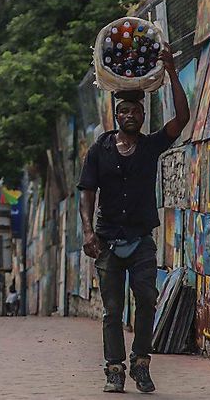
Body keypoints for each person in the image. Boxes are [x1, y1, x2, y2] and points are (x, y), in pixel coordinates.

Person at [78, 46, 189, 394]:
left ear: (142, 115)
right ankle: (114, 369)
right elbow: (87, 193)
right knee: (112, 310)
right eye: (124, 111)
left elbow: (181, 120)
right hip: (108, 240)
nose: (130, 116)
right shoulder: (99, 150)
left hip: (141, 239)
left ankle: (141, 363)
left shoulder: (152, 145)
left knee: (146, 300)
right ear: (117, 114)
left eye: (135, 111)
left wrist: (171, 72)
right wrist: (88, 233)